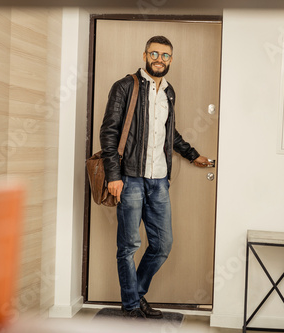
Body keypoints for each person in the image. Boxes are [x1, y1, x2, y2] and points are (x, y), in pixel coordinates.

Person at [100, 35, 210, 319]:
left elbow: (168, 132)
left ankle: (135, 295)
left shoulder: (169, 92)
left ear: (171, 60)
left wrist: (191, 154)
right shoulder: (125, 87)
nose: (159, 60)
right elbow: (109, 133)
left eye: (165, 56)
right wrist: (114, 175)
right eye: (155, 54)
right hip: (130, 178)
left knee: (162, 245)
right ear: (145, 54)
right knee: (128, 246)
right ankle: (132, 307)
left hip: (159, 179)